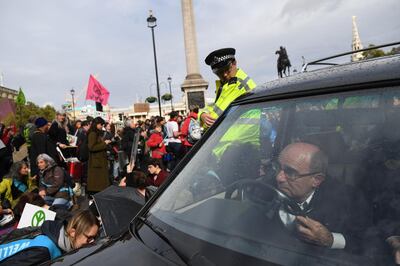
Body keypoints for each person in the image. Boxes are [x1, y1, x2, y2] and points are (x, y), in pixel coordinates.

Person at [273, 142, 371, 253]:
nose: (278, 178)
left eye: (291, 173)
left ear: (316, 180)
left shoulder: (349, 201)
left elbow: (367, 242)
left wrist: (330, 240)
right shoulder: (261, 188)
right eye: (277, 167)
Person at [0, 209, 99, 265]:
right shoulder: (46, 249)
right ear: (73, 232)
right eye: (89, 237)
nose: (92, 242)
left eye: (95, 237)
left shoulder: (57, 237)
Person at [200, 48, 257, 129]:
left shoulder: (239, 84)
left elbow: (213, 119)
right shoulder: (225, 85)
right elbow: (214, 107)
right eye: (219, 73)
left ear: (234, 63)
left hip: (241, 140)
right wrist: (202, 114)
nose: (225, 74)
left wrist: (203, 120)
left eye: (227, 70)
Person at [87, 117, 111, 194]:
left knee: (99, 182)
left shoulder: (96, 133)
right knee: (97, 182)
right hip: (96, 161)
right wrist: (104, 143)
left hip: (99, 160)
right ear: (96, 124)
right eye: (101, 124)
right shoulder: (93, 133)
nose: (102, 126)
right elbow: (92, 147)